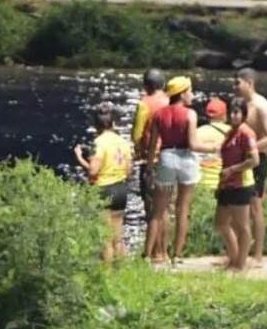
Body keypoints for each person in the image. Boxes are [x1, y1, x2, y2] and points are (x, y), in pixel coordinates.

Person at [144, 76, 217, 263]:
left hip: (166, 157)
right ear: (182, 93)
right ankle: (177, 255)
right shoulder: (190, 114)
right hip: (186, 160)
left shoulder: (159, 114)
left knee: (158, 210)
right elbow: (193, 144)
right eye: (190, 91)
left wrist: (150, 168)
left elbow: (153, 146)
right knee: (182, 209)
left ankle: (147, 255)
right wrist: (214, 148)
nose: (192, 95)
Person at [74, 103, 134, 260]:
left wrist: (80, 158)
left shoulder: (99, 143)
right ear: (113, 124)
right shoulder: (123, 142)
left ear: (95, 126)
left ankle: (107, 278)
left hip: (104, 190)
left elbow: (93, 171)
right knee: (118, 239)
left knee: (106, 240)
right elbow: (128, 171)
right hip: (121, 189)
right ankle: (121, 272)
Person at [233, 68, 267, 265]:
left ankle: (258, 255)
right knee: (237, 206)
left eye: (237, 83)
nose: (234, 86)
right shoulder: (242, 105)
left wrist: (249, 148)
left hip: (257, 160)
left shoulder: (261, 105)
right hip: (241, 160)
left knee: (255, 207)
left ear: (249, 83)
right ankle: (239, 252)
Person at [215, 98, 260, 271]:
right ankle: (234, 257)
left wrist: (233, 169)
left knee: (242, 226)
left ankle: (241, 263)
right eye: (231, 112)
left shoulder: (246, 133)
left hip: (241, 184)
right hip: (226, 183)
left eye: (236, 112)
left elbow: (254, 160)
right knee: (221, 223)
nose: (233, 116)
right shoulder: (229, 133)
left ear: (243, 114)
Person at [131, 68, 169, 260]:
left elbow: (136, 135)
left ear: (146, 86)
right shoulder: (171, 102)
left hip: (151, 160)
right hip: (170, 160)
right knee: (165, 209)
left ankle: (155, 253)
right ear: (163, 84)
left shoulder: (144, 104)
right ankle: (164, 250)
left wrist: (138, 151)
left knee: (152, 208)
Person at [196, 97, 231, 191]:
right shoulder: (231, 133)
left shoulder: (197, 132)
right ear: (224, 115)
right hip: (223, 183)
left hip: (199, 183)